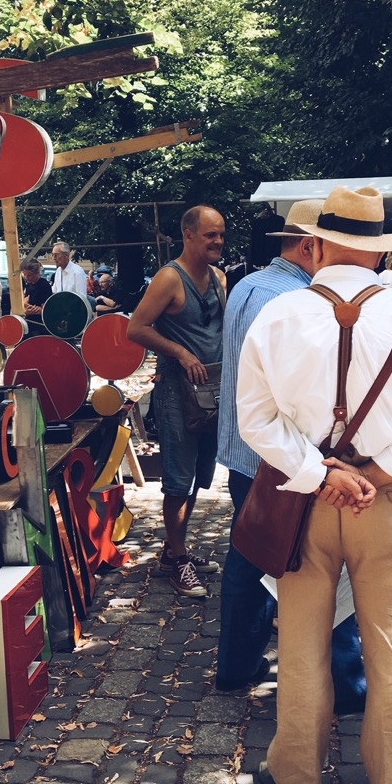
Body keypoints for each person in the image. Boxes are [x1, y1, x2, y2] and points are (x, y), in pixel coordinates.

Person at [237, 185, 392, 784]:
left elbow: (255, 422)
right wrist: (372, 473)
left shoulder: (278, 317)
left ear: (315, 244)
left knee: (302, 647)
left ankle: (299, 781)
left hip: (303, 506)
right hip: (388, 505)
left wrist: (322, 475)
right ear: (377, 249)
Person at [215, 199, 366, 710]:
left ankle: (237, 665)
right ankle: (343, 682)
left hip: (249, 451)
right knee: (313, 565)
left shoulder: (249, 285)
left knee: (252, 552)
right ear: (310, 244)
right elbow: (298, 395)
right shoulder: (294, 299)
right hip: (277, 455)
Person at [127, 206, 226, 597]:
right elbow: (136, 328)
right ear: (189, 235)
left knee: (201, 474)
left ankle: (174, 549)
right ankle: (178, 558)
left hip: (212, 390)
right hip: (176, 393)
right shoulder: (169, 278)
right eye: (210, 235)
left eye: (221, 234)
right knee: (178, 480)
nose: (218, 241)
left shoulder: (219, 277)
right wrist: (181, 354)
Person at [20, 258, 52, 335]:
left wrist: (28, 307)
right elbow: (25, 301)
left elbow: (44, 309)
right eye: (25, 275)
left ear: (37, 273)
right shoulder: (29, 286)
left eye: (29, 275)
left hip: (39, 325)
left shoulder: (44, 285)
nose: (27, 278)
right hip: (29, 322)